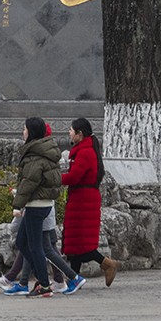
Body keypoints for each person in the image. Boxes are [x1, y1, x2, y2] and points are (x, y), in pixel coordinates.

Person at [59, 117, 118, 287]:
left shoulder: (84, 152)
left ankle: (107, 264)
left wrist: (55, 178)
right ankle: (73, 279)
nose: (69, 133)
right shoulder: (85, 150)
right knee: (77, 243)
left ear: (80, 134)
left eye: (71, 130)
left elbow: (74, 176)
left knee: (81, 244)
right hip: (82, 199)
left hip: (83, 200)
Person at [9, 117, 64, 297]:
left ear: (30, 132)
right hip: (42, 203)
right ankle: (42, 278)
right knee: (22, 243)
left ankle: (45, 285)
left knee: (35, 246)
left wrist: (18, 204)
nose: (22, 132)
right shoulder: (45, 150)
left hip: (36, 204)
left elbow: (29, 183)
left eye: (24, 129)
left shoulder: (35, 155)